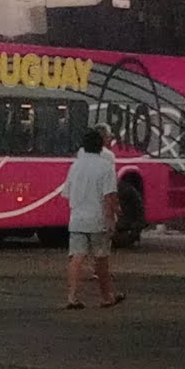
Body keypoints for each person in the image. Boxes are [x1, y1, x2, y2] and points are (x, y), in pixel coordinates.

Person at [61, 129, 125, 310]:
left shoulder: (75, 166)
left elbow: (66, 193)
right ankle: (107, 297)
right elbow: (109, 196)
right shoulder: (106, 167)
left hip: (77, 219)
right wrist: (113, 217)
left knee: (76, 257)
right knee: (101, 259)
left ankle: (72, 297)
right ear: (101, 145)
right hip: (97, 219)